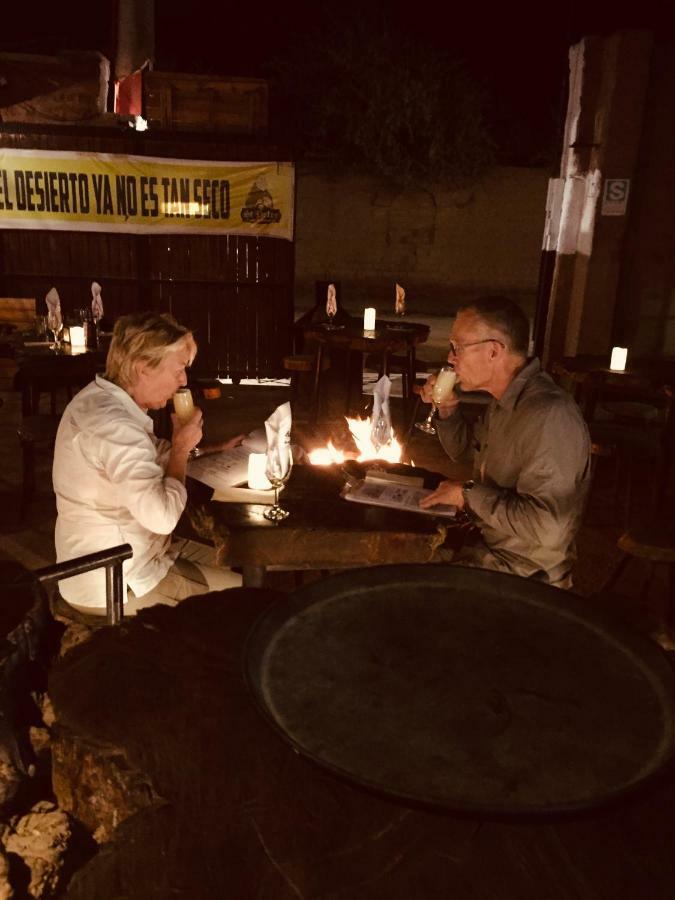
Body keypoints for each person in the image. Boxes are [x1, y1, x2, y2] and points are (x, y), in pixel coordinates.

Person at [53, 311, 244, 616]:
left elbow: (153, 454)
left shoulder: (103, 399)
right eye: (179, 369)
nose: (183, 380)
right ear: (143, 369)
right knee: (245, 600)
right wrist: (181, 450)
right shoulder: (113, 424)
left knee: (236, 558)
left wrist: (209, 449)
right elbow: (162, 518)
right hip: (114, 580)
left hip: (138, 556)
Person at [419, 296, 591, 588]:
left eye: (457, 347)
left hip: (524, 574)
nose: (451, 358)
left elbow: (548, 527)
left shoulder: (548, 415)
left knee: (403, 589)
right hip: (490, 547)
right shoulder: (504, 402)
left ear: (494, 351)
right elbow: (462, 450)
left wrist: (467, 495)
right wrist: (447, 409)